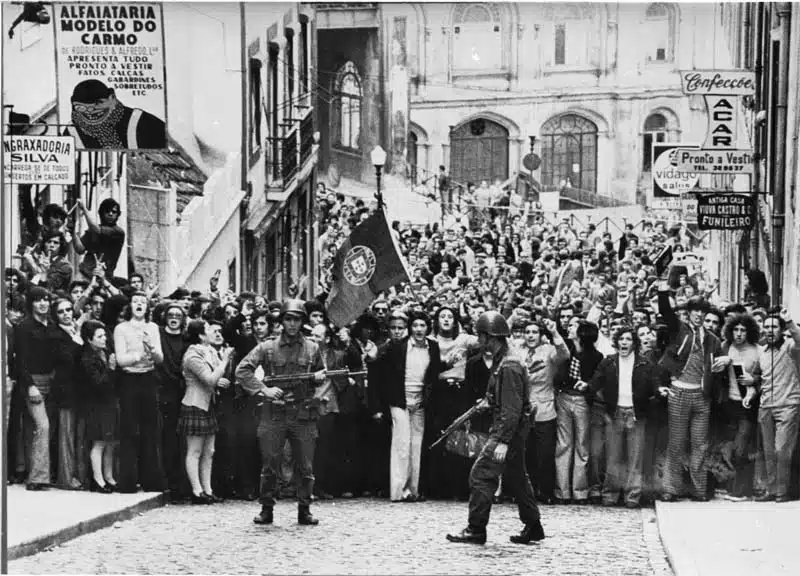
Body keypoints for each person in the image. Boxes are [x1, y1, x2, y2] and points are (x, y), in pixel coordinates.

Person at [446, 311, 544, 545]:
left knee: (480, 476)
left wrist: (502, 441)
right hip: (514, 432)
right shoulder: (506, 358)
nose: (479, 341)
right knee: (518, 478)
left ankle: (476, 529)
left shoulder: (508, 365)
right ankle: (533, 526)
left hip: (506, 432)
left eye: (481, 336)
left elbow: (511, 410)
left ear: (491, 337)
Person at [236, 299, 325, 526]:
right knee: (270, 464)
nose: (292, 324)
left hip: (302, 414)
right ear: (282, 321)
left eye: (296, 319)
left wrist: (317, 379)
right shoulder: (267, 347)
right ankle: (267, 508)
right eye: (288, 319)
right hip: (274, 413)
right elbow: (243, 370)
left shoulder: (313, 348)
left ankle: (304, 509)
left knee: (306, 465)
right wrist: (264, 389)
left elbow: (319, 376)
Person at [582, 326, 667, 508]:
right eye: (621, 339)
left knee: (635, 458)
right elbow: (596, 380)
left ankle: (632, 497)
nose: (624, 342)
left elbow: (655, 383)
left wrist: (660, 390)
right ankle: (610, 495)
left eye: (628, 339)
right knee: (613, 457)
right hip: (616, 413)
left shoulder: (645, 364)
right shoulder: (609, 362)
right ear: (617, 342)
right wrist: (587, 386)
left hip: (636, 414)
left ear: (634, 343)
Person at [657, 282, 725, 502]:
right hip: (679, 393)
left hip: (701, 396)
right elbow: (666, 312)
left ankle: (699, 489)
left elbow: (719, 366)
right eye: (695, 311)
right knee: (676, 443)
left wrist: (725, 360)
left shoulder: (714, 341)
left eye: (702, 312)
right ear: (689, 313)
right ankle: (670, 488)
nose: (698, 315)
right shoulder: (681, 330)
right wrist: (662, 290)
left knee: (700, 444)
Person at [371, 310, 442, 502]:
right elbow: (378, 374)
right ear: (410, 328)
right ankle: (398, 491)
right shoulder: (397, 347)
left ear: (428, 328)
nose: (419, 329)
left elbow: (433, 374)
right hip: (399, 400)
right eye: (415, 326)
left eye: (422, 326)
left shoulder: (433, 347)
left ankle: (414, 489)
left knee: (416, 446)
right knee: (402, 444)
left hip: (420, 403)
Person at [114, 291, 167, 493]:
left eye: (142, 302)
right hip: (129, 379)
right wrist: (138, 355)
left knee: (150, 430)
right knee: (129, 430)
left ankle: (151, 480)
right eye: (135, 301)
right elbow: (121, 360)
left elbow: (159, 358)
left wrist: (151, 349)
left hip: (148, 379)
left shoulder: (153, 328)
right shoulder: (121, 328)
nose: (139, 305)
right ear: (130, 306)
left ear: (147, 307)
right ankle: (127, 482)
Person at [179, 320, 234, 504]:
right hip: (195, 404)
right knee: (194, 450)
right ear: (201, 335)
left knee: (209, 451)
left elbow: (217, 377)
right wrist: (225, 360)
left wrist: (219, 375)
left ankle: (207, 490)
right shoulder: (193, 355)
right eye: (210, 330)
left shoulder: (209, 352)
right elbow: (210, 379)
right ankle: (197, 491)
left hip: (208, 404)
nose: (215, 333)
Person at [751, 309, 800, 502]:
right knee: (769, 451)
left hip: (788, 405)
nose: (769, 330)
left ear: (781, 329)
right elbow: (756, 376)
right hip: (765, 407)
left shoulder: (790, 347)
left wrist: (789, 321)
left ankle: (782, 491)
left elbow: (799, 337)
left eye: (774, 327)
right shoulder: (762, 352)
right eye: (766, 327)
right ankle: (771, 490)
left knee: (782, 450)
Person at [522, 318, 569, 504]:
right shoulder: (519, 352)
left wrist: (555, 332)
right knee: (527, 453)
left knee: (545, 454)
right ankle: (527, 492)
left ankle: (546, 492)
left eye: (534, 332)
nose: (531, 335)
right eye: (527, 332)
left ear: (541, 335)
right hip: (523, 410)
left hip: (544, 409)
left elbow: (564, 354)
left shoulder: (548, 350)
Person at [49, 297, 87, 490]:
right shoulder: (55, 334)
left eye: (68, 310)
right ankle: (66, 477)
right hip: (65, 391)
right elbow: (65, 358)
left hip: (80, 390)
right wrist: (77, 338)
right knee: (67, 435)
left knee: (79, 436)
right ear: (55, 316)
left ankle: (79, 475)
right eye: (61, 312)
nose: (66, 314)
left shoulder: (75, 331)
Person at [65, 79, 166, 149]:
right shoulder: (72, 131)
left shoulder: (144, 122)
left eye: (98, 103)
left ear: (112, 98)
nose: (90, 110)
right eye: (81, 107)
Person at [78, 320, 119, 493]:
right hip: (96, 403)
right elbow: (97, 383)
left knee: (110, 442)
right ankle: (98, 479)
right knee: (99, 442)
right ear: (89, 339)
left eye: (104, 335)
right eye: (99, 336)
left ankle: (109, 477)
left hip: (110, 402)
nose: (104, 339)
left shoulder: (106, 352)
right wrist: (110, 368)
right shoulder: (87, 358)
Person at [74, 199, 125, 280]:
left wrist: (84, 209)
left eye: (114, 212)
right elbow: (80, 249)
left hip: (103, 277)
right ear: (102, 213)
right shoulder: (94, 229)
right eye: (107, 211)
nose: (110, 214)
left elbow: (97, 230)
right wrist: (73, 232)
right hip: (85, 274)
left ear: (118, 214)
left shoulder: (118, 232)